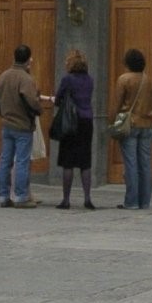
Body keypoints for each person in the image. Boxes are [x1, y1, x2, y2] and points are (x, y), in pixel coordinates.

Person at [0, 44, 43, 208]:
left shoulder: (3, 76)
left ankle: (3, 196)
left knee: (5, 160)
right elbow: (31, 102)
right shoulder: (25, 79)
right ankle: (21, 196)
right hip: (22, 126)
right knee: (22, 161)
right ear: (28, 59)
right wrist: (37, 111)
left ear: (14, 57)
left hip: (7, 124)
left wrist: (4, 114)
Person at [110, 47, 152, 210]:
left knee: (131, 164)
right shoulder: (149, 80)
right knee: (145, 164)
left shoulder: (124, 79)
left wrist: (112, 122)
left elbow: (116, 104)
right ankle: (145, 202)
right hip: (148, 124)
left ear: (127, 63)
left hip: (130, 125)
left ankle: (131, 201)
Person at [52, 48, 96, 210]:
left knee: (68, 161)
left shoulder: (67, 79)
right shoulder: (90, 80)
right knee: (85, 162)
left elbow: (58, 100)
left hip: (71, 121)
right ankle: (87, 197)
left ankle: (66, 199)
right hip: (87, 121)